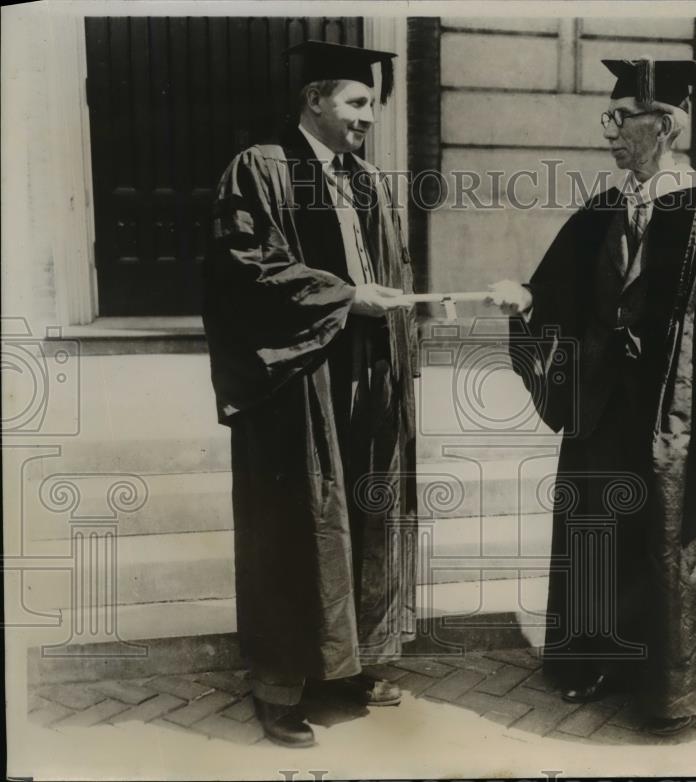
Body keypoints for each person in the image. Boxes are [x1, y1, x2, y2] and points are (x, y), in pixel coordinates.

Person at [488, 57, 696, 736]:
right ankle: (593, 662)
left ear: (660, 126)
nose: (608, 133)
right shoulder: (605, 208)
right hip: (605, 404)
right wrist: (522, 299)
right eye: (608, 118)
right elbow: (557, 288)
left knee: (668, 541)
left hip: (680, 410)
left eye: (619, 119)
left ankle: (672, 689)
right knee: (599, 530)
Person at [203, 40, 419, 748]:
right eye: (357, 102)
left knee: (359, 514)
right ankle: (279, 686)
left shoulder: (365, 178)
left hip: (361, 376)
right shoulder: (262, 169)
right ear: (314, 100)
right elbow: (244, 267)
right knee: (296, 525)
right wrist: (346, 297)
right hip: (296, 377)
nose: (368, 118)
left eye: (373, 104)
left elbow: (388, 266)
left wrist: (406, 309)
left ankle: (342, 664)